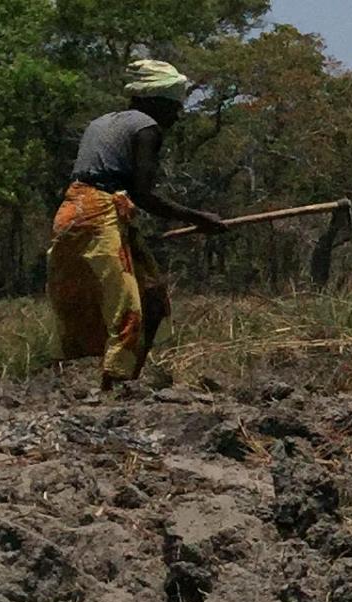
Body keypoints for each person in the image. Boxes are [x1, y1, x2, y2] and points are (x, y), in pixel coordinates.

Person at [48, 59, 227, 399]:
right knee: (128, 307)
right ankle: (114, 388)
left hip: (77, 211)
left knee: (152, 295)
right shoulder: (147, 128)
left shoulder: (102, 121)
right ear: (155, 100)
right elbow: (143, 194)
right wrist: (198, 218)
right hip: (98, 214)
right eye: (174, 107)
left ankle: (125, 381)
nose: (176, 115)